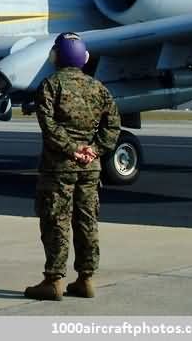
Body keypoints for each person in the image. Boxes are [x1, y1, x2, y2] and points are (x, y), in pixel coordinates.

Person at [24, 32, 120, 300]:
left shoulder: (50, 85)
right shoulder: (98, 88)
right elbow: (112, 126)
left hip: (59, 167)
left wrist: (72, 149)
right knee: (87, 220)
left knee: (56, 220)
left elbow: (49, 126)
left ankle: (53, 281)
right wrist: (93, 150)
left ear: (56, 56)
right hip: (90, 168)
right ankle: (86, 279)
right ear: (84, 57)